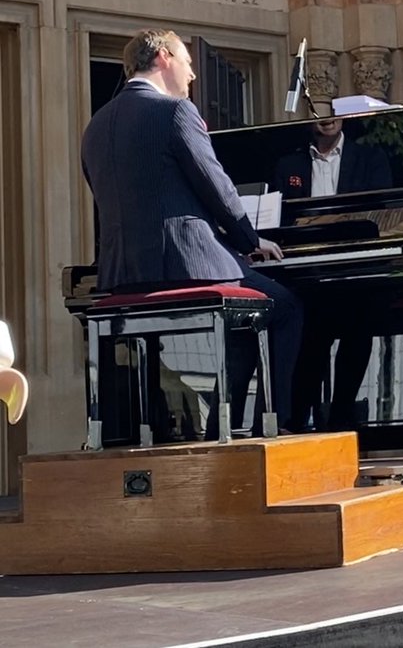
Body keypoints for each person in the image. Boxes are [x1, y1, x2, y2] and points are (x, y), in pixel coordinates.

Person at [81, 29, 303, 433]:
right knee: (283, 306)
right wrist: (251, 241)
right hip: (184, 265)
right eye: (187, 62)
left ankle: (224, 424)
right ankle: (273, 428)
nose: (193, 76)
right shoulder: (174, 111)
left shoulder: (95, 126)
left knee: (243, 317)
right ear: (164, 57)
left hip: (123, 273)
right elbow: (215, 185)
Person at [272, 117, 392, 430]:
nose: (326, 119)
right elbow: (282, 220)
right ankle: (297, 421)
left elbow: (381, 216)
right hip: (309, 273)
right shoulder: (289, 165)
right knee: (310, 342)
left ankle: (342, 418)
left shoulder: (370, 159)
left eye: (333, 110)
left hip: (356, 270)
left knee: (359, 330)